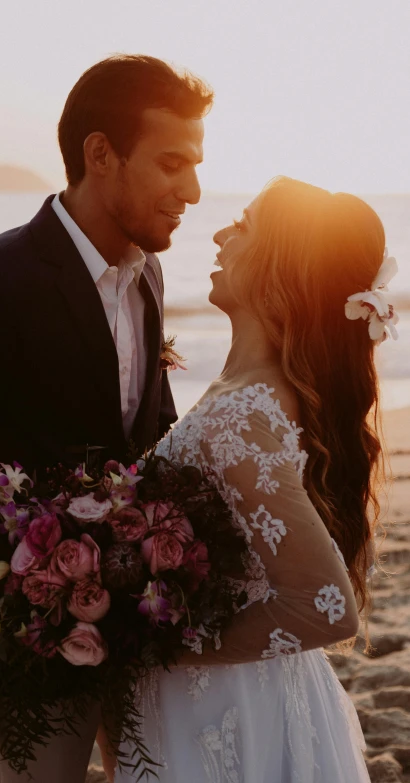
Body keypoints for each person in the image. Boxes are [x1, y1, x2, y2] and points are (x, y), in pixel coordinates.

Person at [0, 54, 213, 782]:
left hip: (135, 620)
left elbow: (148, 435)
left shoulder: (149, 273)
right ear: (101, 153)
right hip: (29, 638)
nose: (193, 190)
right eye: (172, 163)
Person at [113, 176, 397, 782]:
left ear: (282, 265)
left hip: (224, 707)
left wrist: (153, 643)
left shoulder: (241, 419)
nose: (219, 234)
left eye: (242, 225)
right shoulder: (254, 399)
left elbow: (326, 609)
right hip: (252, 692)